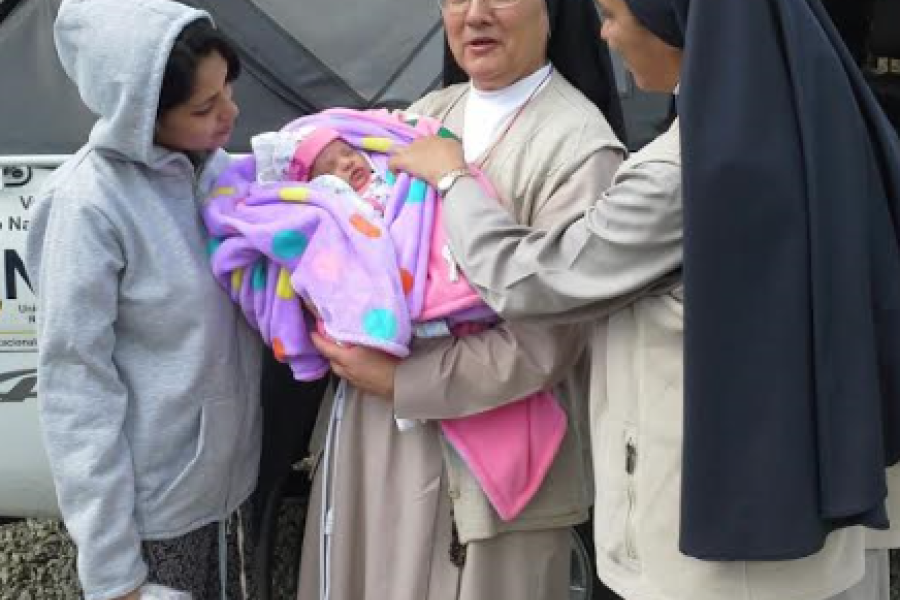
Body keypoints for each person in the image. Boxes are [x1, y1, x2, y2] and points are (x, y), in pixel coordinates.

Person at [387, 0, 900, 599]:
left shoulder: (687, 172)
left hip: (712, 548)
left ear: (672, 23)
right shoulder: (815, 129)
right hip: (803, 502)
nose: (604, 36)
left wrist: (454, 178)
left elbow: (527, 279)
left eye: (611, 14)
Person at [296, 0, 627, 599]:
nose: (474, 15)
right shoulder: (421, 116)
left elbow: (549, 342)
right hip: (368, 434)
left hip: (484, 474)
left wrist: (402, 380)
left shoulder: (579, 149)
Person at [25, 1, 262, 599]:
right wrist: (114, 574)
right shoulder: (87, 207)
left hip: (229, 490)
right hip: (156, 520)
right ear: (140, 113)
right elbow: (76, 390)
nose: (230, 113)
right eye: (204, 107)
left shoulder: (213, 172)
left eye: (228, 91)